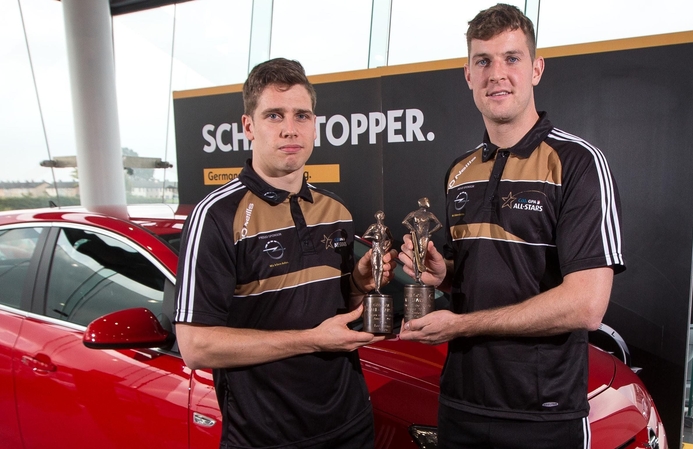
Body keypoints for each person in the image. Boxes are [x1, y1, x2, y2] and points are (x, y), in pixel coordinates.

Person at [397, 4, 625, 449]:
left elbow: (585, 305)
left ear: (536, 69)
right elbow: (483, 276)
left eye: (512, 58)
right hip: (462, 402)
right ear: (468, 75)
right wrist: (445, 274)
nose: (496, 73)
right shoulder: (459, 172)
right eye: (483, 61)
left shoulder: (578, 162)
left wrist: (461, 326)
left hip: (543, 413)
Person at [174, 57, 396, 449]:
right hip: (265, 436)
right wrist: (311, 340)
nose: (290, 129)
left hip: (350, 426)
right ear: (249, 127)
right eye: (274, 115)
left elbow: (341, 309)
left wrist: (360, 284)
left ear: (314, 125)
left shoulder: (338, 211)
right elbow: (196, 346)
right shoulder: (216, 216)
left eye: (301, 115)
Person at [401, 197, 442, 284]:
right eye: (426, 201)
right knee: (416, 255)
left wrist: (430, 232)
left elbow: (439, 225)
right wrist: (412, 229)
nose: (428, 202)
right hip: (417, 236)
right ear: (422, 203)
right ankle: (417, 277)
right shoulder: (415, 213)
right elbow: (405, 221)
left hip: (424, 237)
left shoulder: (429, 214)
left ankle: (419, 276)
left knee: (421, 255)